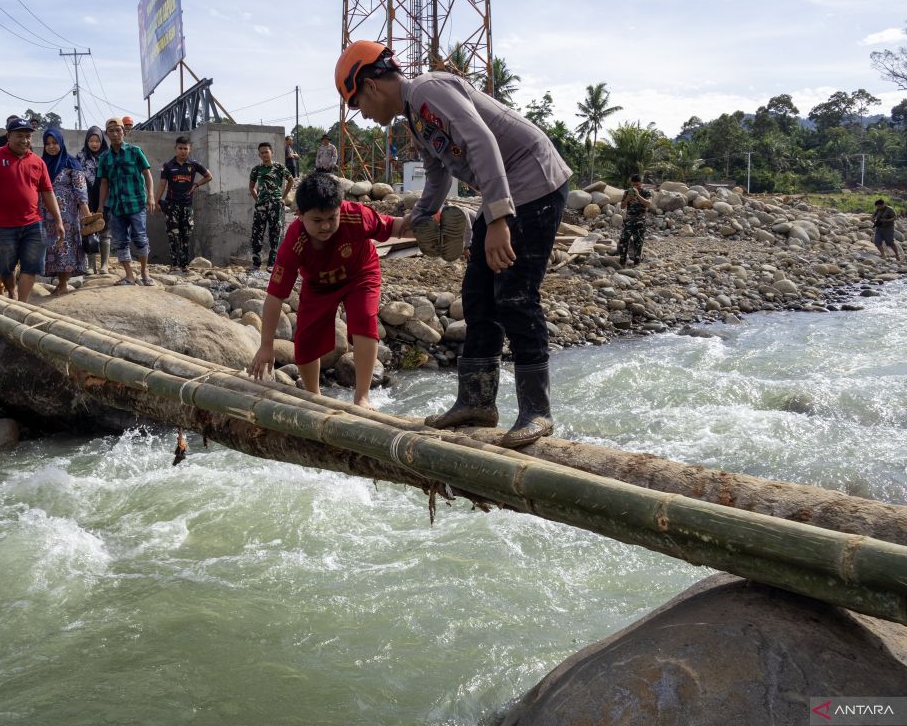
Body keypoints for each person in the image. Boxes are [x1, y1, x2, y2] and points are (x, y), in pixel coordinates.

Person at [335, 40, 572, 448]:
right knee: (478, 294)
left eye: (359, 105)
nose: (366, 116)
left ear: (371, 86)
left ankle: (537, 411)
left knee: (515, 293)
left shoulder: (428, 90)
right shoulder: (416, 117)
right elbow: (438, 172)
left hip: (534, 182)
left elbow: (482, 142)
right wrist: (418, 216)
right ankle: (477, 401)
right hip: (508, 192)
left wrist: (498, 217)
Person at [247, 172, 413, 409]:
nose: (325, 226)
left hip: (360, 274)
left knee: (364, 319)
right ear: (300, 215)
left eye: (332, 218)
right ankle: (314, 397)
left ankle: (362, 397)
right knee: (305, 340)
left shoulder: (356, 215)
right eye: (317, 220)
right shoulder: (293, 242)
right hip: (318, 284)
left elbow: (393, 227)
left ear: (340, 209)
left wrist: (425, 228)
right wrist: (266, 345)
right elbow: (275, 296)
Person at [0, 117, 64, 301]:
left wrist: (58, 220)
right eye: (20, 136)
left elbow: (47, 192)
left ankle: (22, 302)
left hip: (33, 224)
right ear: (9, 136)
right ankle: (11, 290)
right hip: (4, 225)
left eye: (28, 136)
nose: (24, 140)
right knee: (5, 268)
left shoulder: (38, 162)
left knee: (31, 266)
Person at [97, 116, 156, 286]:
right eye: (111, 131)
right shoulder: (104, 158)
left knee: (140, 238)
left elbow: (147, 174)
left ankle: (144, 271)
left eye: (118, 130)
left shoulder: (135, 151)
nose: (115, 134)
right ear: (107, 134)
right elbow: (104, 183)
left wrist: (151, 195)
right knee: (120, 241)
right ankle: (129, 275)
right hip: (116, 206)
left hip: (136, 203)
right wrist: (101, 205)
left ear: (124, 131)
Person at [40, 127, 90, 294]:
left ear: (61, 143)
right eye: (48, 143)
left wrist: (87, 214)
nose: (51, 146)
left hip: (68, 215)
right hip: (46, 215)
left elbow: (81, 190)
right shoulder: (41, 163)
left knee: (66, 246)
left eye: (55, 143)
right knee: (51, 248)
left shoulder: (71, 163)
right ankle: (58, 283)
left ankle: (63, 283)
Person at [156, 135, 211, 273]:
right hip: (171, 206)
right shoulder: (168, 166)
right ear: (175, 148)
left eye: (185, 148)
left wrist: (196, 185)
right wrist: (156, 201)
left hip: (187, 206)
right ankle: (174, 265)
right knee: (173, 236)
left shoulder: (193, 164)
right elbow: (162, 185)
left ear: (189, 149)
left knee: (185, 236)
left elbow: (209, 176)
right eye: (180, 148)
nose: (183, 151)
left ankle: (184, 265)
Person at [249, 141, 294, 271]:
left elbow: (291, 180)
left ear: (271, 153)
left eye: (266, 152)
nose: (264, 155)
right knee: (257, 232)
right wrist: (258, 199)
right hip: (261, 206)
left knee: (275, 232)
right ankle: (256, 262)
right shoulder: (256, 169)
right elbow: (251, 187)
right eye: (262, 153)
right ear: (259, 155)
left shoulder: (279, 167)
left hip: (275, 204)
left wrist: (283, 198)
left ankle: (271, 263)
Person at [77, 125, 111, 273]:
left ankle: (104, 264)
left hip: (105, 196)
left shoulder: (108, 155)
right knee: (89, 229)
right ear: (87, 141)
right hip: (87, 197)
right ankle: (91, 265)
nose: (94, 144)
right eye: (91, 141)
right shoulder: (80, 156)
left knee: (105, 229)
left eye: (97, 141)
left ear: (101, 141)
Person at [617, 174, 652, 265]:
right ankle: (622, 261)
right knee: (624, 239)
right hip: (629, 220)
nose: (635, 186)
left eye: (637, 184)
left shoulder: (646, 192)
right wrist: (627, 199)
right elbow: (622, 206)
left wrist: (638, 195)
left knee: (638, 241)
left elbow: (648, 204)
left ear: (641, 183)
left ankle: (637, 262)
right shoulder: (627, 192)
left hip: (640, 220)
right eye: (633, 185)